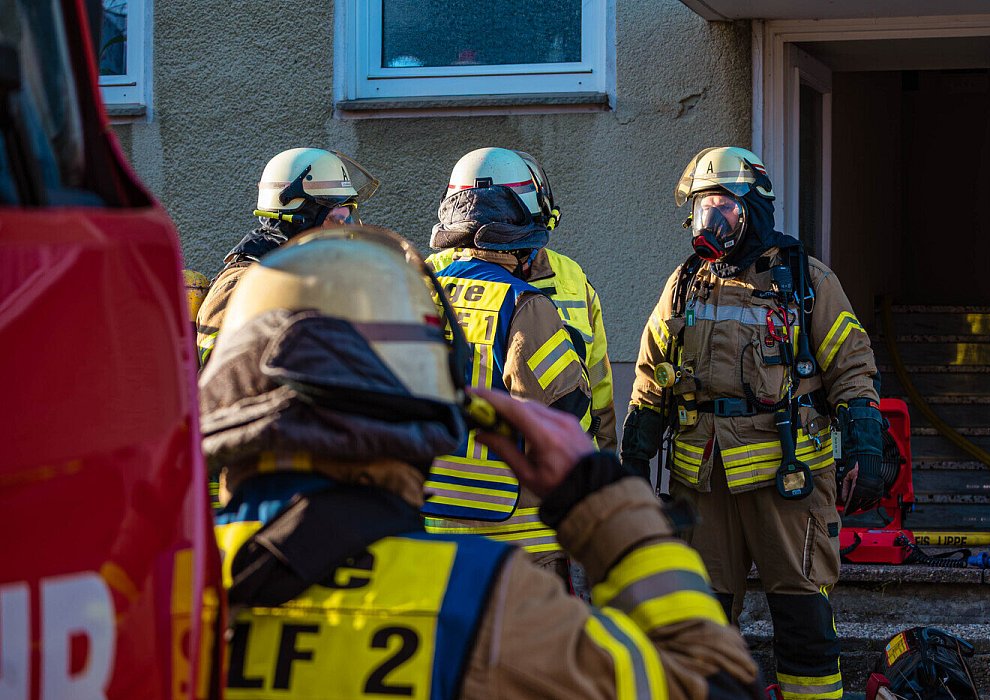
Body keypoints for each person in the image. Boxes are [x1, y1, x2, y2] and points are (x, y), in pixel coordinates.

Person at [199, 226, 760, 699]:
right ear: (429, 386)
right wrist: (605, 507)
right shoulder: (485, 601)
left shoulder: (164, 585)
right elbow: (715, 684)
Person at [622, 147, 886, 700]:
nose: (710, 220)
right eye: (702, 208)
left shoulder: (804, 280)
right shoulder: (685, 283)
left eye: (722, 206)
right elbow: (652, 372)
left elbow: (851, 365)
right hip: (703, 481)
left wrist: (865, 444)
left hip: (785, 480)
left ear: (753, 209)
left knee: (802, 619)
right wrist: (636, 454)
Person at [421, 148, 592, 582]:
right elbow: (562, 412)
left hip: (429, 529)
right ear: (523, 234)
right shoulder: (524, 304)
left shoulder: (416, 294)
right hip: (516, 539)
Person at [427, 149, 618, 451]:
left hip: (443, 469)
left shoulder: (570, 277)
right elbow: (567, 402)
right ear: (538, 213)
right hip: (536, 468)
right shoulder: (430, 276)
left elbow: (598, 380)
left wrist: (604, 457)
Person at [194, 147, 378, 367]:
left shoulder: (314, 284)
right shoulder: (240, 287)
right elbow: (228, 377)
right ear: (301, 219)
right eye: (337, 218)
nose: (347, 228)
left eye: (349, 216)